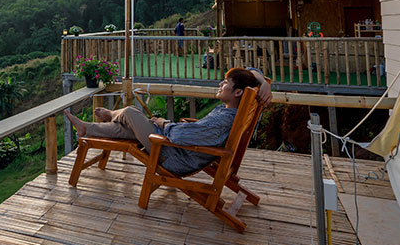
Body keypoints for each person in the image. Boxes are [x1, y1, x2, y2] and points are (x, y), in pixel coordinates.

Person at [64, 67, 270, 176]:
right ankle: (86, 128)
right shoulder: (232, 111)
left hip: (173, 155)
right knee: (129, 128)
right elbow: (250, 70)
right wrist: (262, 81)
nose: (220, 84)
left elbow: (181, 135)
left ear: (238, 92)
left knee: (129, 112)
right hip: (178, 148)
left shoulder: (223, 120)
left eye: (225, 83)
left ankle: (112, 114)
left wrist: (164, 123)